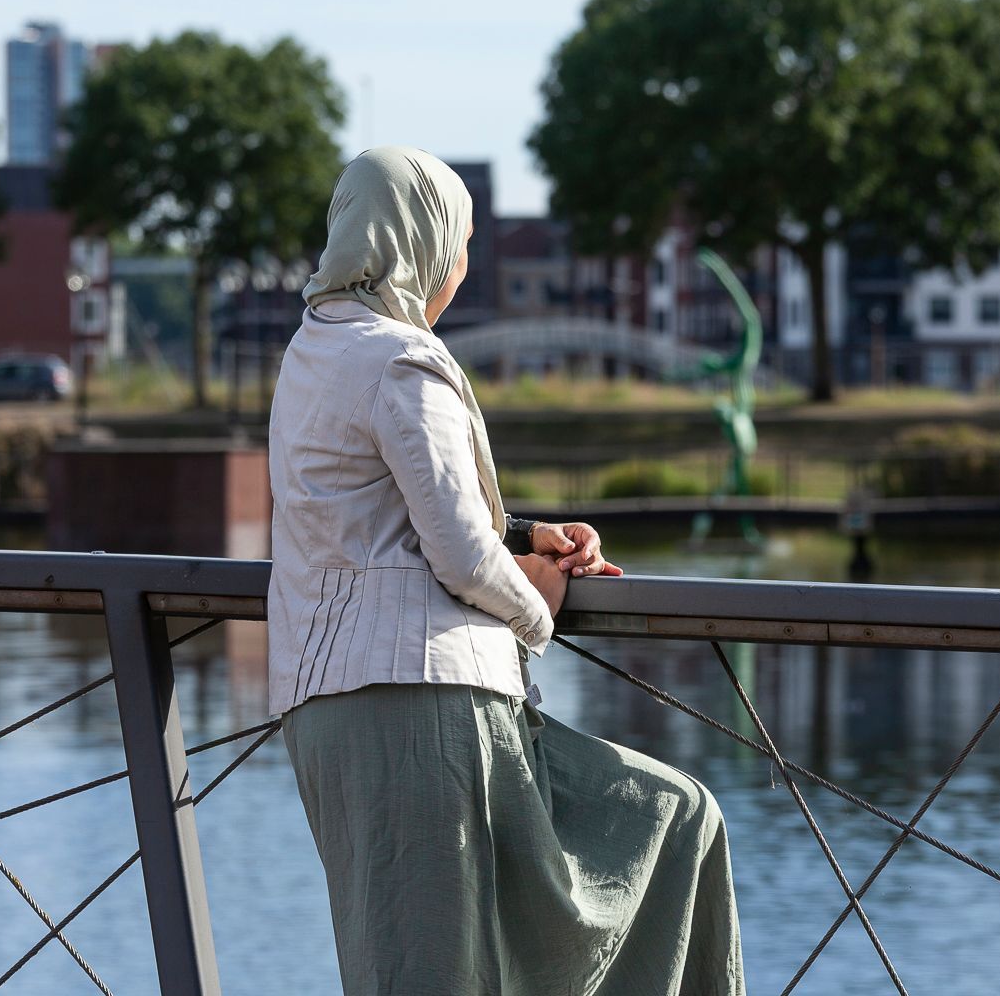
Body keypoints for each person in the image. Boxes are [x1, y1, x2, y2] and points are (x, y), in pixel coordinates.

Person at [267, 146, 746, 996]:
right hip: (424, 715)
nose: (458, 271)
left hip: (325, 702)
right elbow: (457, 554)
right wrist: (538, 607)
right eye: (457, 248)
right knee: (443, 970)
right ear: (419, 247)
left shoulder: (311, 350)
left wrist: (527, 530)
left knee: (674, 818)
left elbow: (382, 507)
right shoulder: (401, 362)